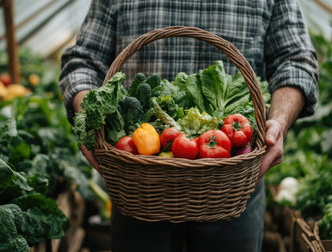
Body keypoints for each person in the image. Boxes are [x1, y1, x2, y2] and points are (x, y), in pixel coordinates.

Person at [59, 0, 318, 251]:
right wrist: (91, 117)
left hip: (233, 182)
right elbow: (83, 62)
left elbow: (296, 62)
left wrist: (279, 123)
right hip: (139, 179)